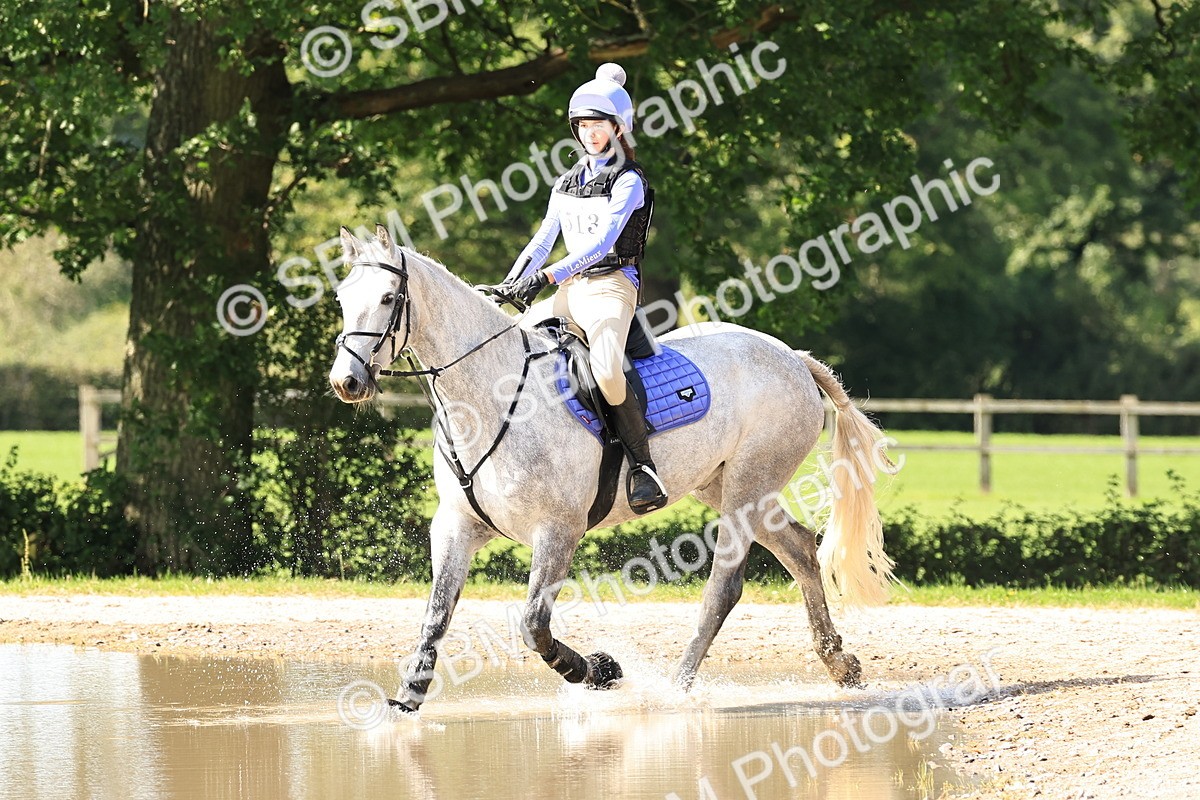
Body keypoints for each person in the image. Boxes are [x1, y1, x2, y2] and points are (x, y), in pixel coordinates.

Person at [489, 62, 667, 514]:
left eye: (599, 125)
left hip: (612, 286)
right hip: (569, 289)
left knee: (607, 370)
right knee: (509, 346)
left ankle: (642, 465)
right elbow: (544, 239)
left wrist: (545, 278)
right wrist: (512, 282)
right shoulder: (566, 182)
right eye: (583, 125)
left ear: (617, 127)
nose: (590, 133)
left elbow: (600, 246)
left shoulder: (630, 180)